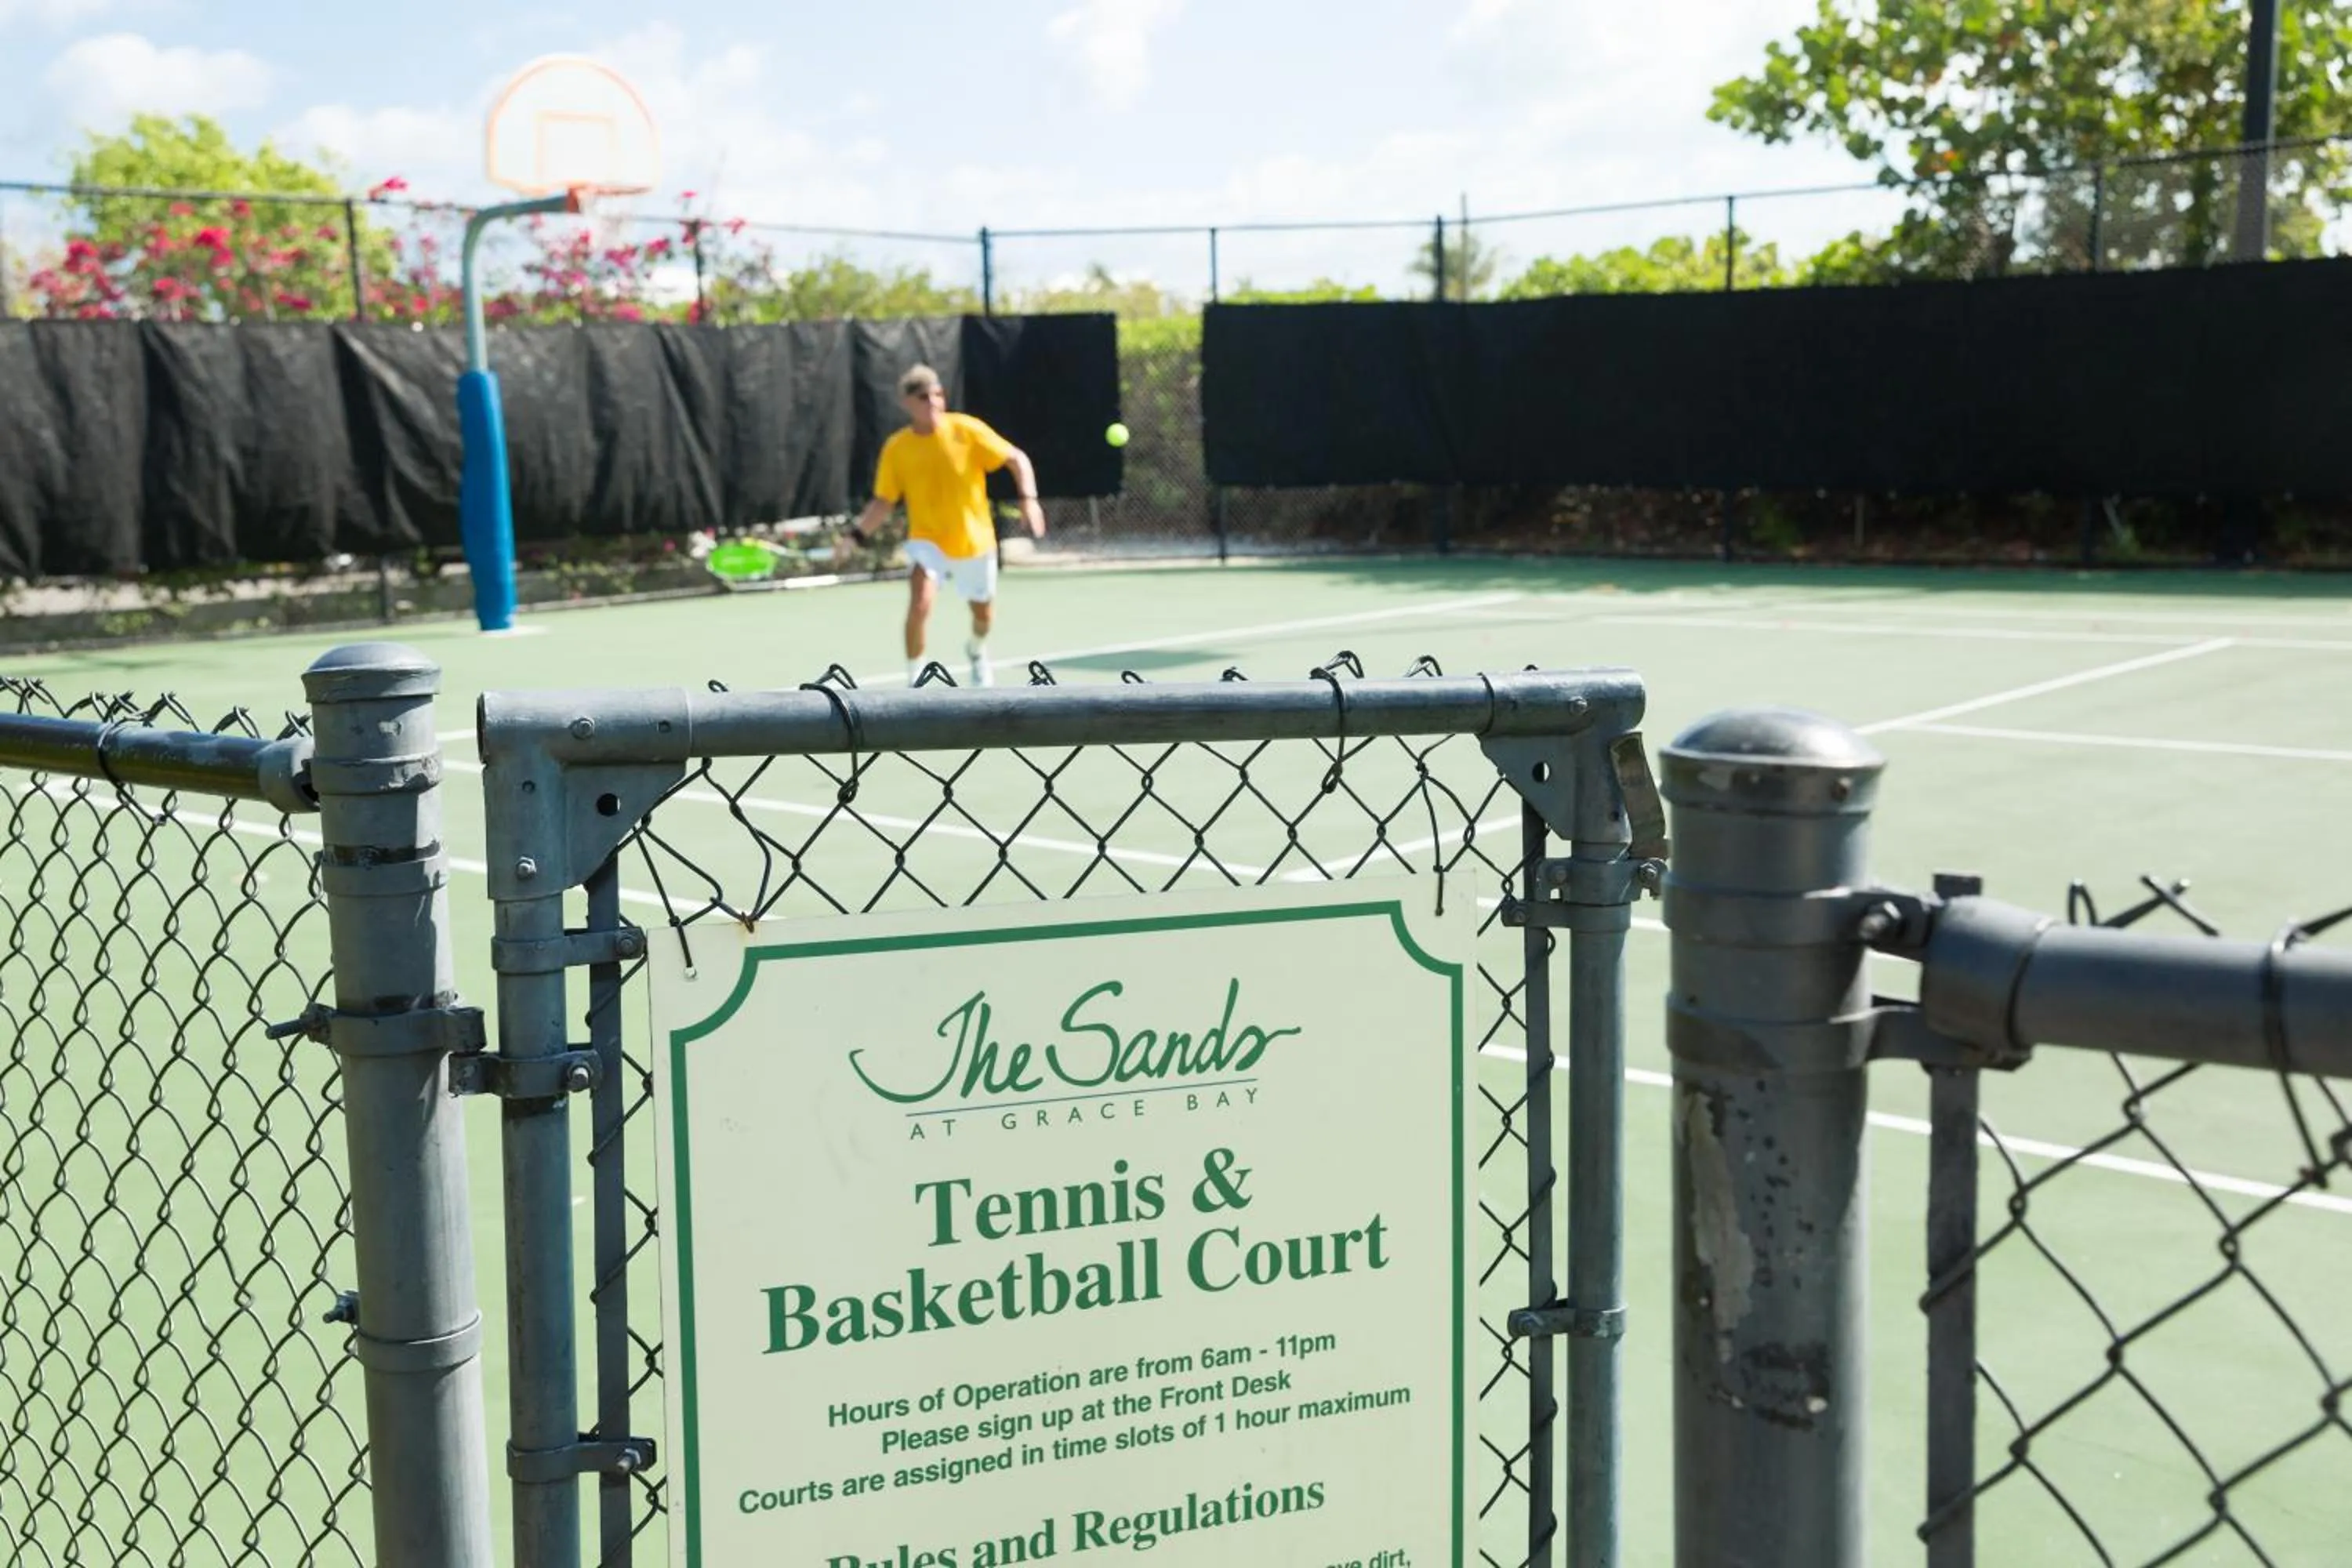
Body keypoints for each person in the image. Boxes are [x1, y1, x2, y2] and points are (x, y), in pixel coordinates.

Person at [851, 365, 1045, 687]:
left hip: (974, 541)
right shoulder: (898, 447)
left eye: (937, 394)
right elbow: (884, 501)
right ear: (907, 403)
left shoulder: (967, 430)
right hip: (927, 541)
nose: (932, 402)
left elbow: (1016, 459)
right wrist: (856, 536)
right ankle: (916, 680)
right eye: (923, 397)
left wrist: (1029, 498)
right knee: (920, 601)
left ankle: (977, 650)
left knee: (983, 615)